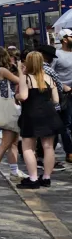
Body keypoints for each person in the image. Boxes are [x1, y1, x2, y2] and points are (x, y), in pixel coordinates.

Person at [17, 51, 64, 188]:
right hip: (49, 114)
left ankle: (33, 179)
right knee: (48, 147)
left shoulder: (27, 78)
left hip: (31, 114)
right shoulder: (49, 78)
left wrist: (17, 96)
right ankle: (46, 177)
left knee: (27, 147)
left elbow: (24, 96)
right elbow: (56, 100)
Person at [0, 47, 23, 185]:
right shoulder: (3, 70)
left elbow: (3, 87)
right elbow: (19, 81)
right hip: (10, 107)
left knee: (13, 142)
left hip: (5, 106)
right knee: (6, 143)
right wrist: (19, 68)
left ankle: (14, 170)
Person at [51, 33, 72, 162]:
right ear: (64, 39)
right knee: (67, 124)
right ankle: (69, 151)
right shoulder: (57, 55)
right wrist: (63, 86)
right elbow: (51, 73)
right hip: (64, 94)